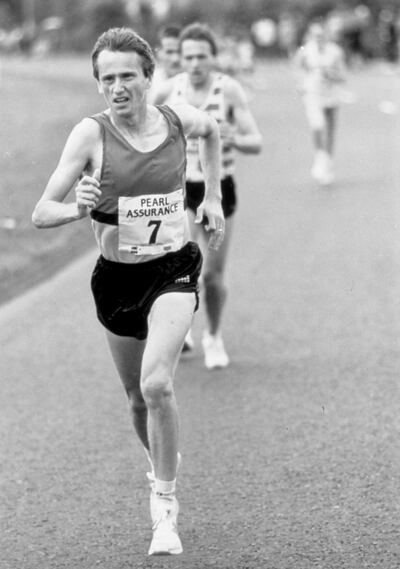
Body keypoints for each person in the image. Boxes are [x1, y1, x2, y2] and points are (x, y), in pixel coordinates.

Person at [31, 27, 224, 556]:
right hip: (117, 280)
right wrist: (78, 206)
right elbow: (40, 211)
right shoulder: (89, 137)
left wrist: (212, 199)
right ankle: (163, 456)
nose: (118, 87)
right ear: (98, 84)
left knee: (158, 384)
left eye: (127, 76)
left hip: (174, 271)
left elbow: (211, 132)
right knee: (137, 399)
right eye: (107, 78)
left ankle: (164, 507)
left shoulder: (176, 119)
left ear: (148, 77)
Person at [152, 22, 263, 369]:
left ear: (214, 58)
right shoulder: (168, 91)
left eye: (202, 56)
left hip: (219, 188)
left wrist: (232, 138)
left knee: (212, 275)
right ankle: (179, 329)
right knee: (182, 267)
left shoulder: (228, 90)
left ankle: (213, 335)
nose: (195, 64)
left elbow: (255, 141)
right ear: (180, 59)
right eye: (189, 57)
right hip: (182, 189)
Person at [293, 20, 346, 186]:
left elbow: (343, 75)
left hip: (331, 94)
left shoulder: (335, 51)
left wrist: (332, 74)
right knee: (317, 125)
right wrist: (300, 82)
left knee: (330, 130)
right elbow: (296, 67)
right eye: (315, 35)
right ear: (310, 35)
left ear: (327, 35)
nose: (319, 38)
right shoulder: (305, 50)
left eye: (322, 35)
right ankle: (320, 157)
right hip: (313, 93)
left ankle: (328, 163)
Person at [148, 24, 182, 100]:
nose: (175, 59)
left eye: (179, 52)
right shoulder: (148, 84)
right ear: (158, 52)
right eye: (169, 52)